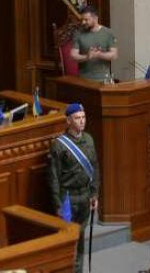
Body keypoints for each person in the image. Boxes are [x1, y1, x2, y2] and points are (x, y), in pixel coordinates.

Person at [47, 103, 100, 273]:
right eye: (77, 118)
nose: (82, 121)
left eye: (83, 117)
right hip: (68, 198)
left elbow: (94, 168)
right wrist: (58, 204)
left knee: (81, 237)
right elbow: (53, 177)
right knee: (70, 240)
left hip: (85, 196)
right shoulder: (59, 145)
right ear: (68, 121)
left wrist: (94, 194)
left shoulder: (89, 140)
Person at [70, 6, 118, 82]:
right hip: (83, 79)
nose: (83, 22)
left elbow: (114, 55)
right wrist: (87, 57)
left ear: (95, 18)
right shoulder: (78, 34)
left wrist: (99, 54)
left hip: (103, 79)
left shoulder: (108, 33)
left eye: (86, 20)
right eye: (82, 20)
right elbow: (73, 56)